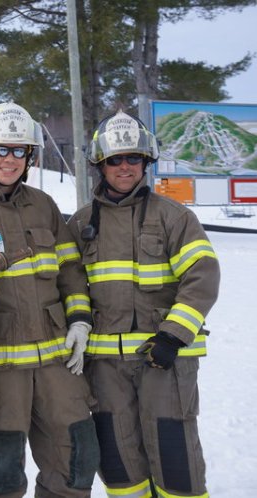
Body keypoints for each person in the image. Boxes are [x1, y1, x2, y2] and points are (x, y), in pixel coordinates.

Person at [0, 102, 99, 497]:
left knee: (77, 458)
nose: (9, 160)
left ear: (29, 156)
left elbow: (69, 269)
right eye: (0, 150)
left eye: (19, 151)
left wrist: (80, 320)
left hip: (55, 363)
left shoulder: (44, 206)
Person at [67, 110, 220, 497]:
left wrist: (173, 336)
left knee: (174, 452)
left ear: (146, 162)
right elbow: (67, 284)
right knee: (117, 457)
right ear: (100, 164)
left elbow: (202, 277)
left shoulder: (175, 217)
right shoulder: (81, 224)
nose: (124, 167)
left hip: (163, 361)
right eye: (115, 159)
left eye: (133, 158)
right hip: (104, 366)